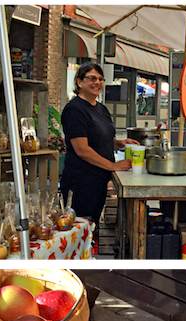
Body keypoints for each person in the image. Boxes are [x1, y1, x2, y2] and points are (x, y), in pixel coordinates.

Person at [59, 63, 139, 231]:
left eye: (101, 79)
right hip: (80, 183)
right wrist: (112, 166)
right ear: (79, 82)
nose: (97, 83)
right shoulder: (74, 110)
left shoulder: (101, 109)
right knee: (78, 230)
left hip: (98, 181)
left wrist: (120, 143)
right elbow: (82, 149)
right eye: (92, 78)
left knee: (91, 227)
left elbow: (102, 139)